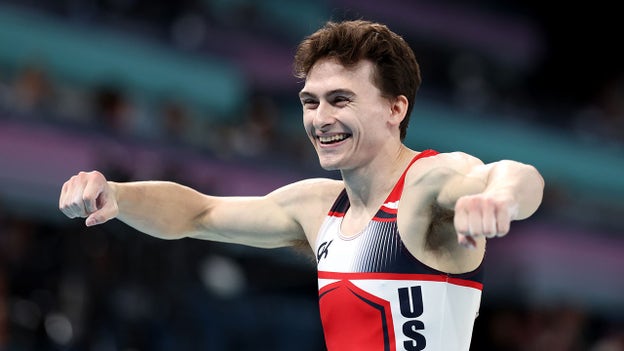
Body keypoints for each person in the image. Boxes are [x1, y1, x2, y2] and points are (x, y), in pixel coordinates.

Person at [59, 20, 544, 351]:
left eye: (340, 100)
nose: (320, 119)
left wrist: (496, 198)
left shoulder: (425, 185)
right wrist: (119, 196)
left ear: (396, 109)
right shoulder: (317, 208)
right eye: (310, 102)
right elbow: (197, 213)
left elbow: (515, 175)